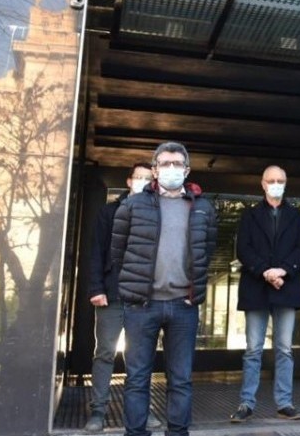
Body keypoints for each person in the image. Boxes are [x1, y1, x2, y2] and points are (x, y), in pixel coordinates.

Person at [110, 142, 215, 436]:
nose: (172, 168)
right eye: (165, 163)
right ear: (155, 169)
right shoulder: (132, 206)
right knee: (137, 378)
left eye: (177, 163)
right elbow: (118, 253)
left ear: (187, 169)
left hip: (184, 305)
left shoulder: (203, 208)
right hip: (142, 306)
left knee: (181, 379)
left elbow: (205, 251)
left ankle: (178, 432)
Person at [84, 163, 163, 433]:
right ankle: (98, 411)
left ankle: (142, 412)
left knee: (139, 358)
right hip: (112, 293)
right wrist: (96, 288)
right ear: (129, 181)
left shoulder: (157, 212)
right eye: (138, 177)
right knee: (105, 353)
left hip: (143, 298)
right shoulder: (109, 212)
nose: (142, 181)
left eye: (147, 178)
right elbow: (96, 251)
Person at [230, 165, 300, 423]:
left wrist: (282, 271)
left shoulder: (297, 216)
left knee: (284, 349)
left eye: (281, 180)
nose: (276, 184)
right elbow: (243, 248)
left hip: (286, 288)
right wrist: (265, 271)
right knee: (253, 349)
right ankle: (246, 403)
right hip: (257, 287)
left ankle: (284, 403)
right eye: (271, 180)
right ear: (262, 184)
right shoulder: (249, 216)